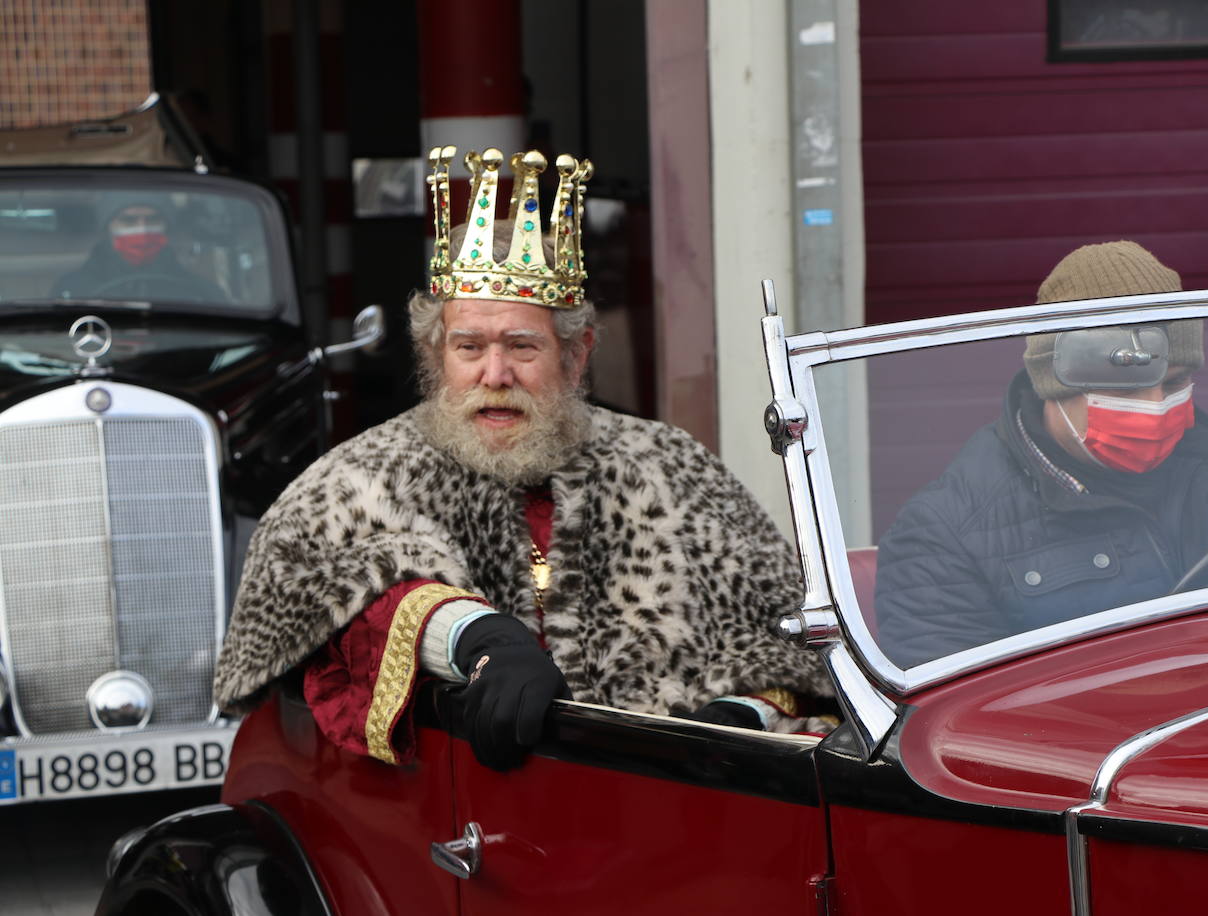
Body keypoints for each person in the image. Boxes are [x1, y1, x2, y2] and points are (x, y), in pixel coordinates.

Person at [213, 146, 833, 771]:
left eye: (522, 345)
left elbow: (785, 640)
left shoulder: (670, 465)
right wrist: (472, 638)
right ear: (436, 355)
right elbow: (330, 602)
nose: (495, 373)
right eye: (469, 346)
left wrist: (744, 715)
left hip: (672, 814)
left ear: (577, 354)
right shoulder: (356, 482)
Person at [875, 241, 1208, 669]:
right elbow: (953, 733)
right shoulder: (943, 535)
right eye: (1127, 389)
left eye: (1173, 383)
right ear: (1054, 382)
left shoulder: (1206, 459)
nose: (1156, 407)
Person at [52, 194, 223, 302]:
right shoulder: (72, 291)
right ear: (107, 228)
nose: (143, 229)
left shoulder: (200, 292)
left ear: (167, 227)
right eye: (128, 221)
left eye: (153, 219)